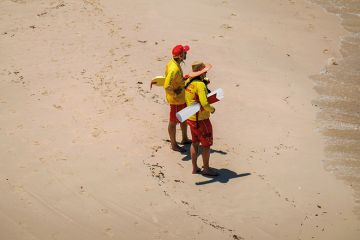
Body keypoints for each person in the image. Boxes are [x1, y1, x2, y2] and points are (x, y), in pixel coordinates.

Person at [184, 61, 218, 176]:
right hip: (201, 119)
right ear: (201, 73)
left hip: (191, 117)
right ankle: (206, 168)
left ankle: (195, 168)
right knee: (206, 144)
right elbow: (204, 103)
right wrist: (212, 109)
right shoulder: (201, 85)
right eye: (205, 72)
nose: (206, 73)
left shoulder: (189, 81)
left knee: (195, 142)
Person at [164, 45, 192, 152]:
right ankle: (174, 144)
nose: (186, 54)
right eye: (185, 52)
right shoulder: (174, 69)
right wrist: (175, 92)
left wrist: (182, 79)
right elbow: (167, 85)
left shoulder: (174, 63)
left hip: (181, 98)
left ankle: (184, 138)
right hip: (176, 100)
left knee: (184, 117)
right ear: (180, 56)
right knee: (173, 121)